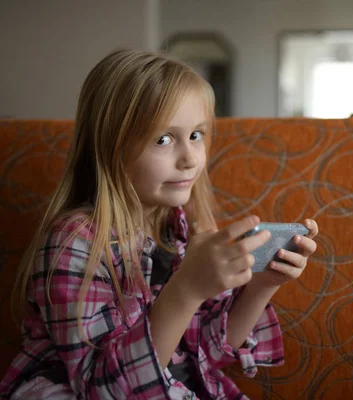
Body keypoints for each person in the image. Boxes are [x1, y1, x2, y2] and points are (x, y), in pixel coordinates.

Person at [0, 49, 319, 399]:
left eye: (196, 135)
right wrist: (186, 290)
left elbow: (207, 354)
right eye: (163, 139)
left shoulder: (183, 230)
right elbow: (102, 389)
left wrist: (262, 285)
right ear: (111, 147)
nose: (189, 158)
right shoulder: (76, 242)